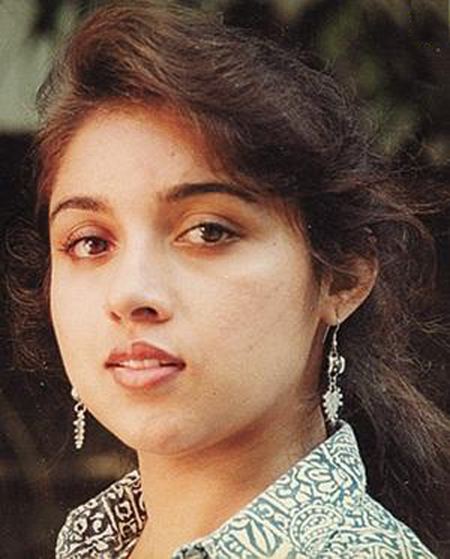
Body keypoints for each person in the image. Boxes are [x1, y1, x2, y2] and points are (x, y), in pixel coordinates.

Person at [9, 1, 450, 557]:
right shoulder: (94, 544)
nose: (130, 294)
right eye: (90, 243)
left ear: (342, 278)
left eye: (208, 232)